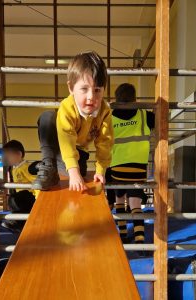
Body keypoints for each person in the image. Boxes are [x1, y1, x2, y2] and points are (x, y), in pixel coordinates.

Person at [33, 51, 114, 191]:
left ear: (104, 90)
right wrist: (73, 172)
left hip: (80, 153)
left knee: (78, 177)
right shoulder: (67, 107)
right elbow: (66, 139)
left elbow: (105, 142)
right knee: (47, 117)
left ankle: (52, 168)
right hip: (60, 148)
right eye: (84, 89)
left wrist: (100, 171)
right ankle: (48, 165)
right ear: (71, 88)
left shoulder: (104, 111)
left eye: (97, 90)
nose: (91, 97)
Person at [110, 83, 155, 244]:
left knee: (119, 201)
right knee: (136, 204)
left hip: (117, 168)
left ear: (116, 99)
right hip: (138, 168)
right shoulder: (144, 115)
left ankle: (122, 235)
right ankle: (140, 239)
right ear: (135, 99)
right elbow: (160, 121)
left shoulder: (110, 117)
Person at [2, 140, 39, 231]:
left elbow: (36, 180)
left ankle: (18, 222)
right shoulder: (14, 169)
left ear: (18, 154)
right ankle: (19, 221)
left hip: (31, 197)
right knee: (14, 198)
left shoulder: (26, 167)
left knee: (15, 198)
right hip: (22, 198)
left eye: (8, 155)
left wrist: (38, 197)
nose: (6, 158)